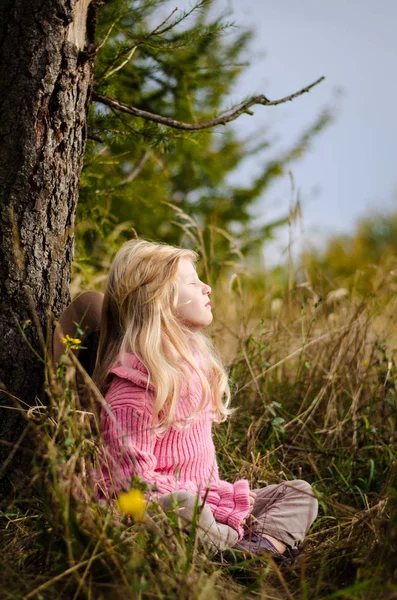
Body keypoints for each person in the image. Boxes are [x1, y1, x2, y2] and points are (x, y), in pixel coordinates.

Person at [93, 239, 318, 556]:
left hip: (213, 505)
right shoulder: (134, 391)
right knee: (183, 507)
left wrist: (219, 499)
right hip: (163, 509)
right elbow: (133, 485)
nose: (207, 287)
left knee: (300, 493)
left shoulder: (194, 365)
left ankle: (257, 552)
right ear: (159, 300)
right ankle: (232, 552)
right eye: (192, 282)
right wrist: (215, 497)